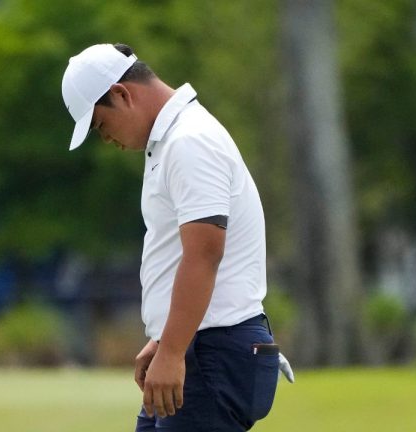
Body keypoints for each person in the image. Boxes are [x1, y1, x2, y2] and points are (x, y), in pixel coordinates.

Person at [62, 43, 282, 431]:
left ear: (121, 94)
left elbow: (204, 254)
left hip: (213, 351)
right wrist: (166, 338)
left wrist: (174, 348)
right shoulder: (173, 141)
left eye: (100, 124)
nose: (106, 139)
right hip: (200, 346)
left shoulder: (189, 141)